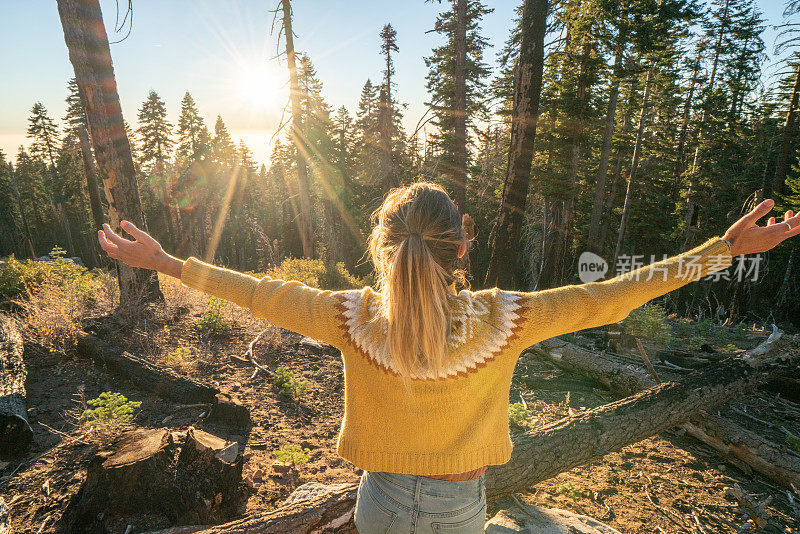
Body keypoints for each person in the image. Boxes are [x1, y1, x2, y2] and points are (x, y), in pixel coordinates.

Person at [98, 182, 798, 533]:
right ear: (461, 245)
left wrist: (166, 262)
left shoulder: (352, 317)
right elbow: (611, 297)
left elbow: (259, 293)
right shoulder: (504, 317)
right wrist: (723, 251)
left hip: (379, 498)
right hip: (461, 502)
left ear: (382, 246)